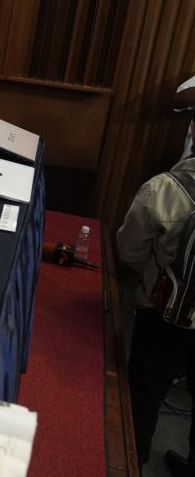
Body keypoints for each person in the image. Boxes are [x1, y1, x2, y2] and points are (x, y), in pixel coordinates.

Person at [117, 158, 195, 475]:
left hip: (165, 315)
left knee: (145, 391)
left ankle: (133, 462)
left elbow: (129, 250)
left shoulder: (164, 189)